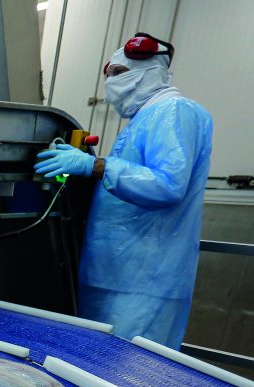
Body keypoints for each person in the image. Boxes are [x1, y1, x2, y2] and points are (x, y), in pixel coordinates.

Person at [35, 33, 212, 349]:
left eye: (119, 72)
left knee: (129, 369)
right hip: (113, 274)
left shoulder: (174, 111)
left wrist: (95, 166)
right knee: (93, 363)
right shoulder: (143, 119)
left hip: (145, 280)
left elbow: (168, 185)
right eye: (109, 74)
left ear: (152, 69)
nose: (111, 82)